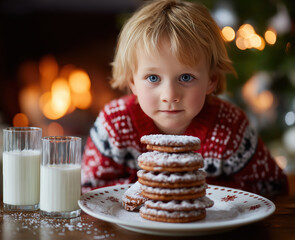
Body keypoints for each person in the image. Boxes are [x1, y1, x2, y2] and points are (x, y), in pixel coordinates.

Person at [81, 0, 288, 196]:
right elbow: (89, 188)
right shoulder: (114, 124)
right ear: (132, 81)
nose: (170, 95)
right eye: (153, 78)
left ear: (211, 80)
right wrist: (151, 189)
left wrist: (196, 190)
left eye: (186, 77)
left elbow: (272, 187)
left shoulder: (231, 128)